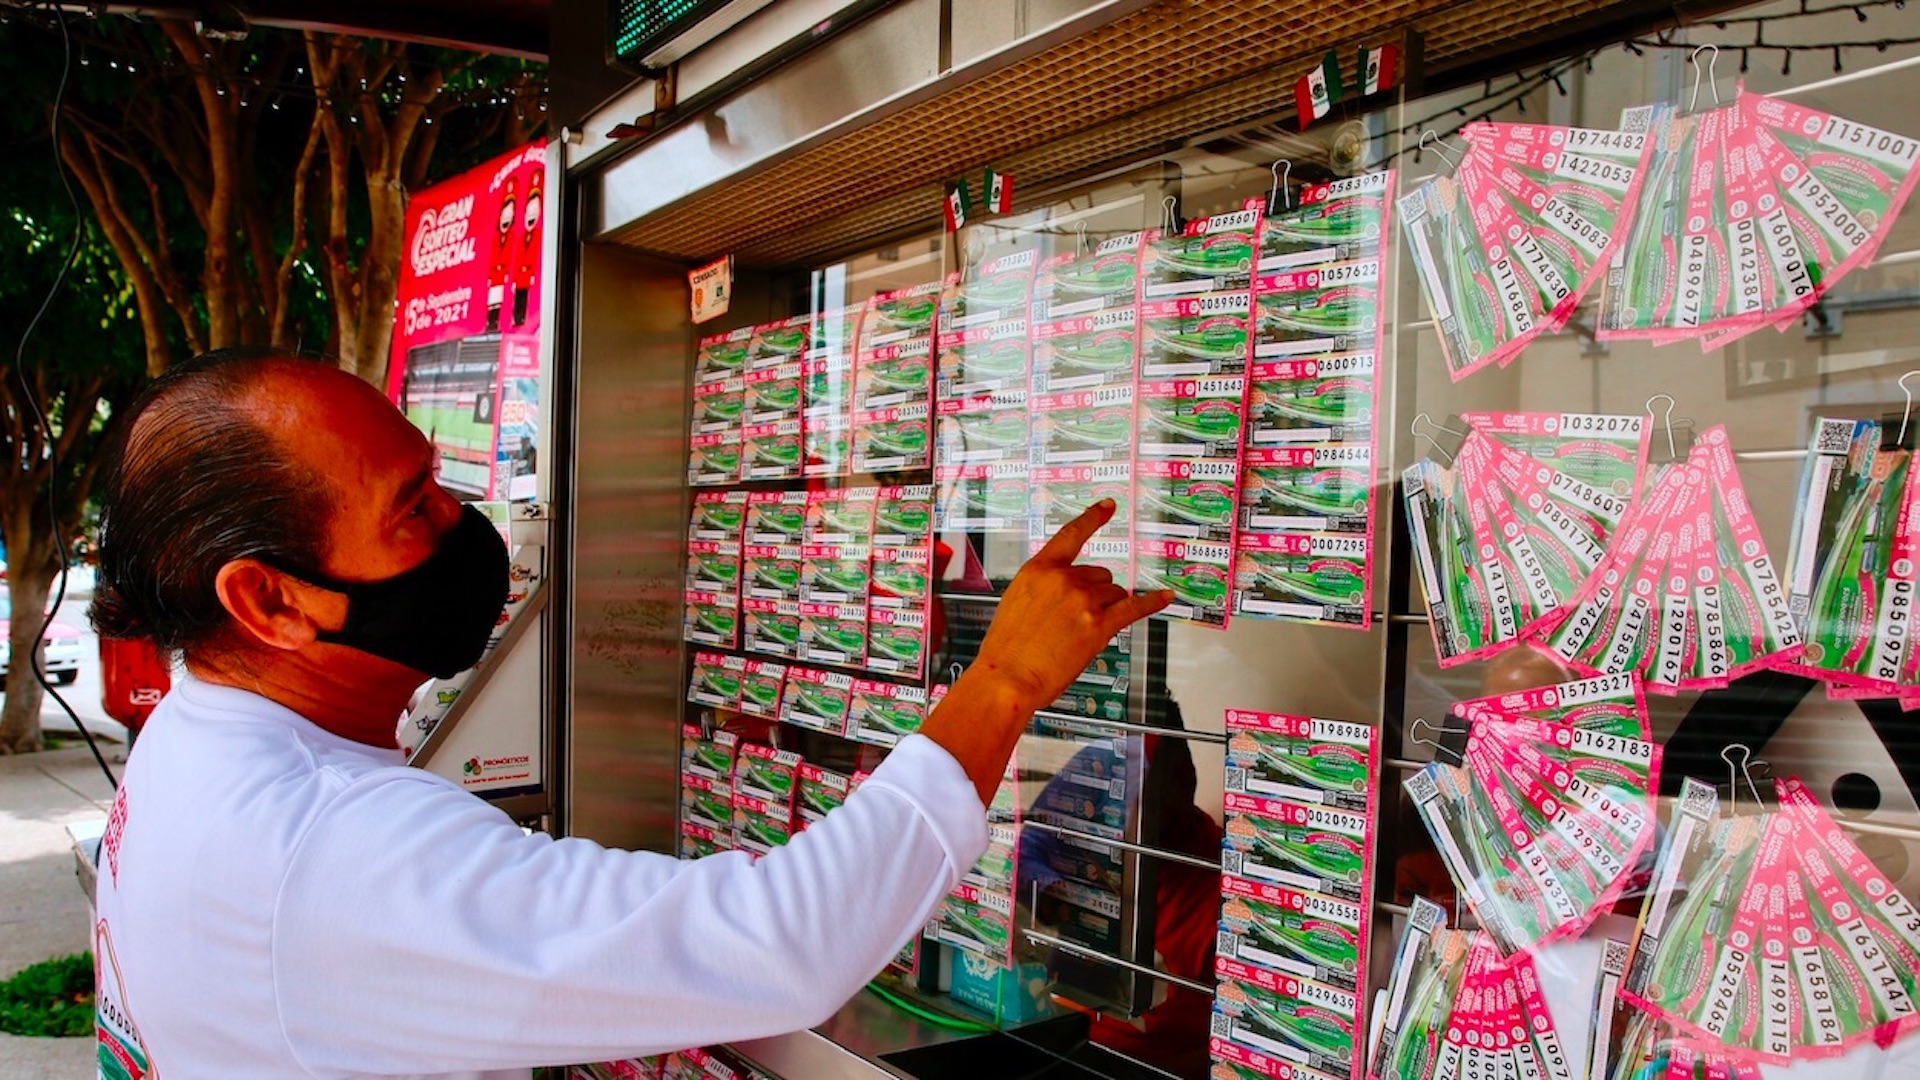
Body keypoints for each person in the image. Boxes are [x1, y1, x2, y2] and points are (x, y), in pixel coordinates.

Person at [87, 349, 1172, 1079]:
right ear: (271, 599)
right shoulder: (330, 852)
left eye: (436, 475)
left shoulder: (194, 740)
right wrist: (1004, 685)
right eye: (411, 508)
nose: (460, 518)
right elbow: (781, 947)